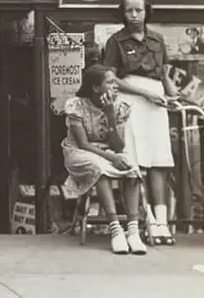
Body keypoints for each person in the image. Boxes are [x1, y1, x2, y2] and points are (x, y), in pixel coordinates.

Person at [102, 0, 178, 245]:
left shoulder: (157, 39)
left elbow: (164, 73)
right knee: (135, 163)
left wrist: (171, 93)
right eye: (129, 10)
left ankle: (161, 223)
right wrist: (145, 93)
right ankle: (142, 221)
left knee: (158, 161)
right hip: (131, 100)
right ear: (122, 13)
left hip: (156, 102)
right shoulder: (116, 41)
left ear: (147, 11)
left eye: (139, 10)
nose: (134, 15)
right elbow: (111, 79)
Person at [62, 64, 146, 255]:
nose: (115, 86)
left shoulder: (119, 107)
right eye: (110, 82)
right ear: (95, 87)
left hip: (109, 150)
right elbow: (83, 144)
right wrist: (112, 158)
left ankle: (133, 231)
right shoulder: (76, 105)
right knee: (99, 168)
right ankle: (115, 229)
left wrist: (110, 115)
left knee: (131, 167)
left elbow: (118, 146)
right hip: (79, 152)